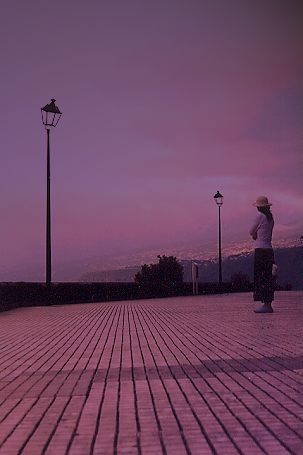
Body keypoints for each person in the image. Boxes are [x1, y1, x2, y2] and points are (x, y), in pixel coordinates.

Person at [249, 196, 275, 313]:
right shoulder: (270, 218)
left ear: (259, 207)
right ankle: (268, 302)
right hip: (269, 250)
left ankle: (265, 304)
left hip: (260, 250)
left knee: (261, 275)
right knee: (268, 276)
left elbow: (251, 231)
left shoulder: (260, 216)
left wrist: (254, 235)